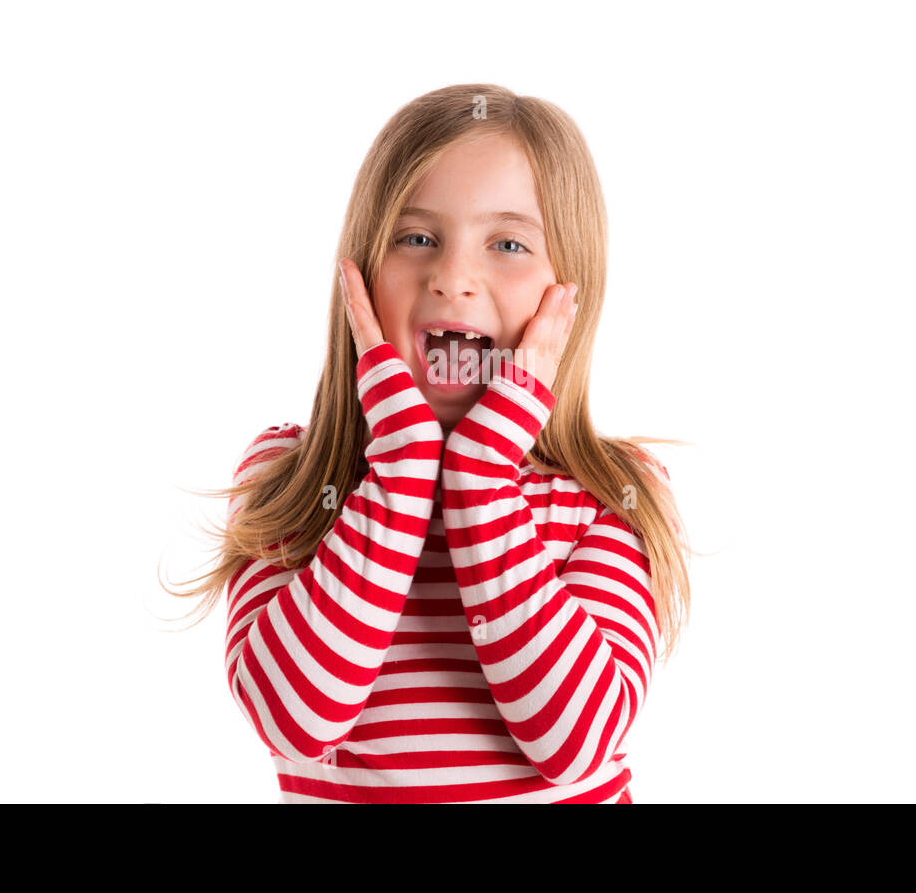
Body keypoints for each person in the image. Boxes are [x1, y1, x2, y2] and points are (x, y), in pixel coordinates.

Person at [170, 83, 692, 802]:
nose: (453, 279)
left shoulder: (609, 491)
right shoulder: (290, 479)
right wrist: (406, 466)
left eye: (508, 244)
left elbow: (576, 740)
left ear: (571, 291)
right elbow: (292, 720)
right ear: (358, 274)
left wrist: (478, 475)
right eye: (416, 239)